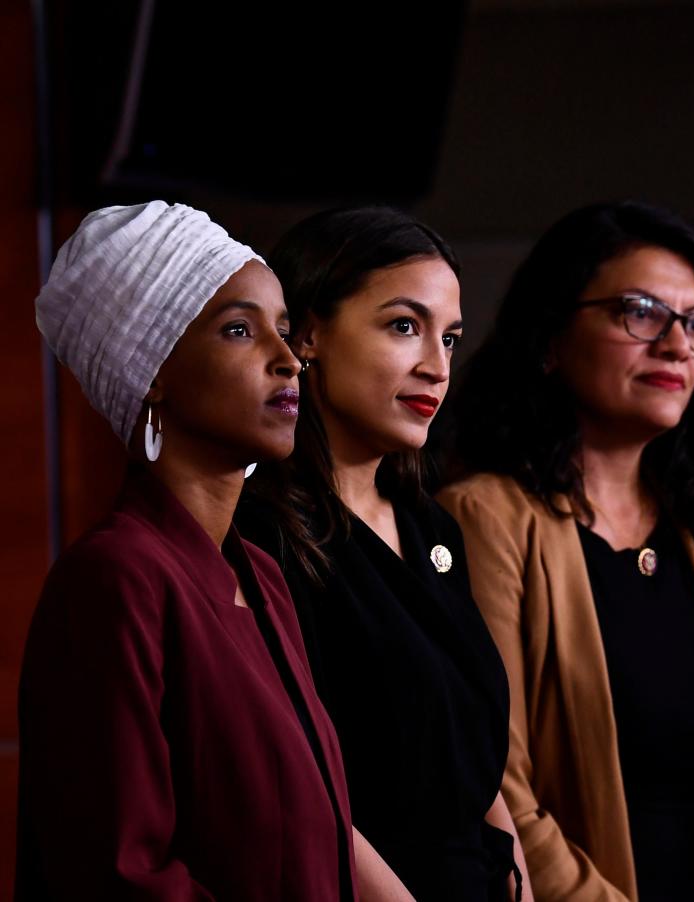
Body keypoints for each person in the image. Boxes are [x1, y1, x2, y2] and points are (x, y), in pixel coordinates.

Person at [18, 201, 410, 900]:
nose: (289, 360)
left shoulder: (259, 573)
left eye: (285, 332)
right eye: (238, 330)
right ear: (152, 370)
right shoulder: (115, 580)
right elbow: (119, 877)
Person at [438, 201, 694, 901]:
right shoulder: (485, 518)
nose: (677, 345)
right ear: (550, 340)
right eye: (640, 312)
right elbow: (493, 782)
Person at [236, 206, 526, 901]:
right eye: (404, 326)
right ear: (306, 335)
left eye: (450, 339)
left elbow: (477, 760)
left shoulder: (434, 527)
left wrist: (519, 877)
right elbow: (300, 790)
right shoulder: (259, 532)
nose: (435, 366)